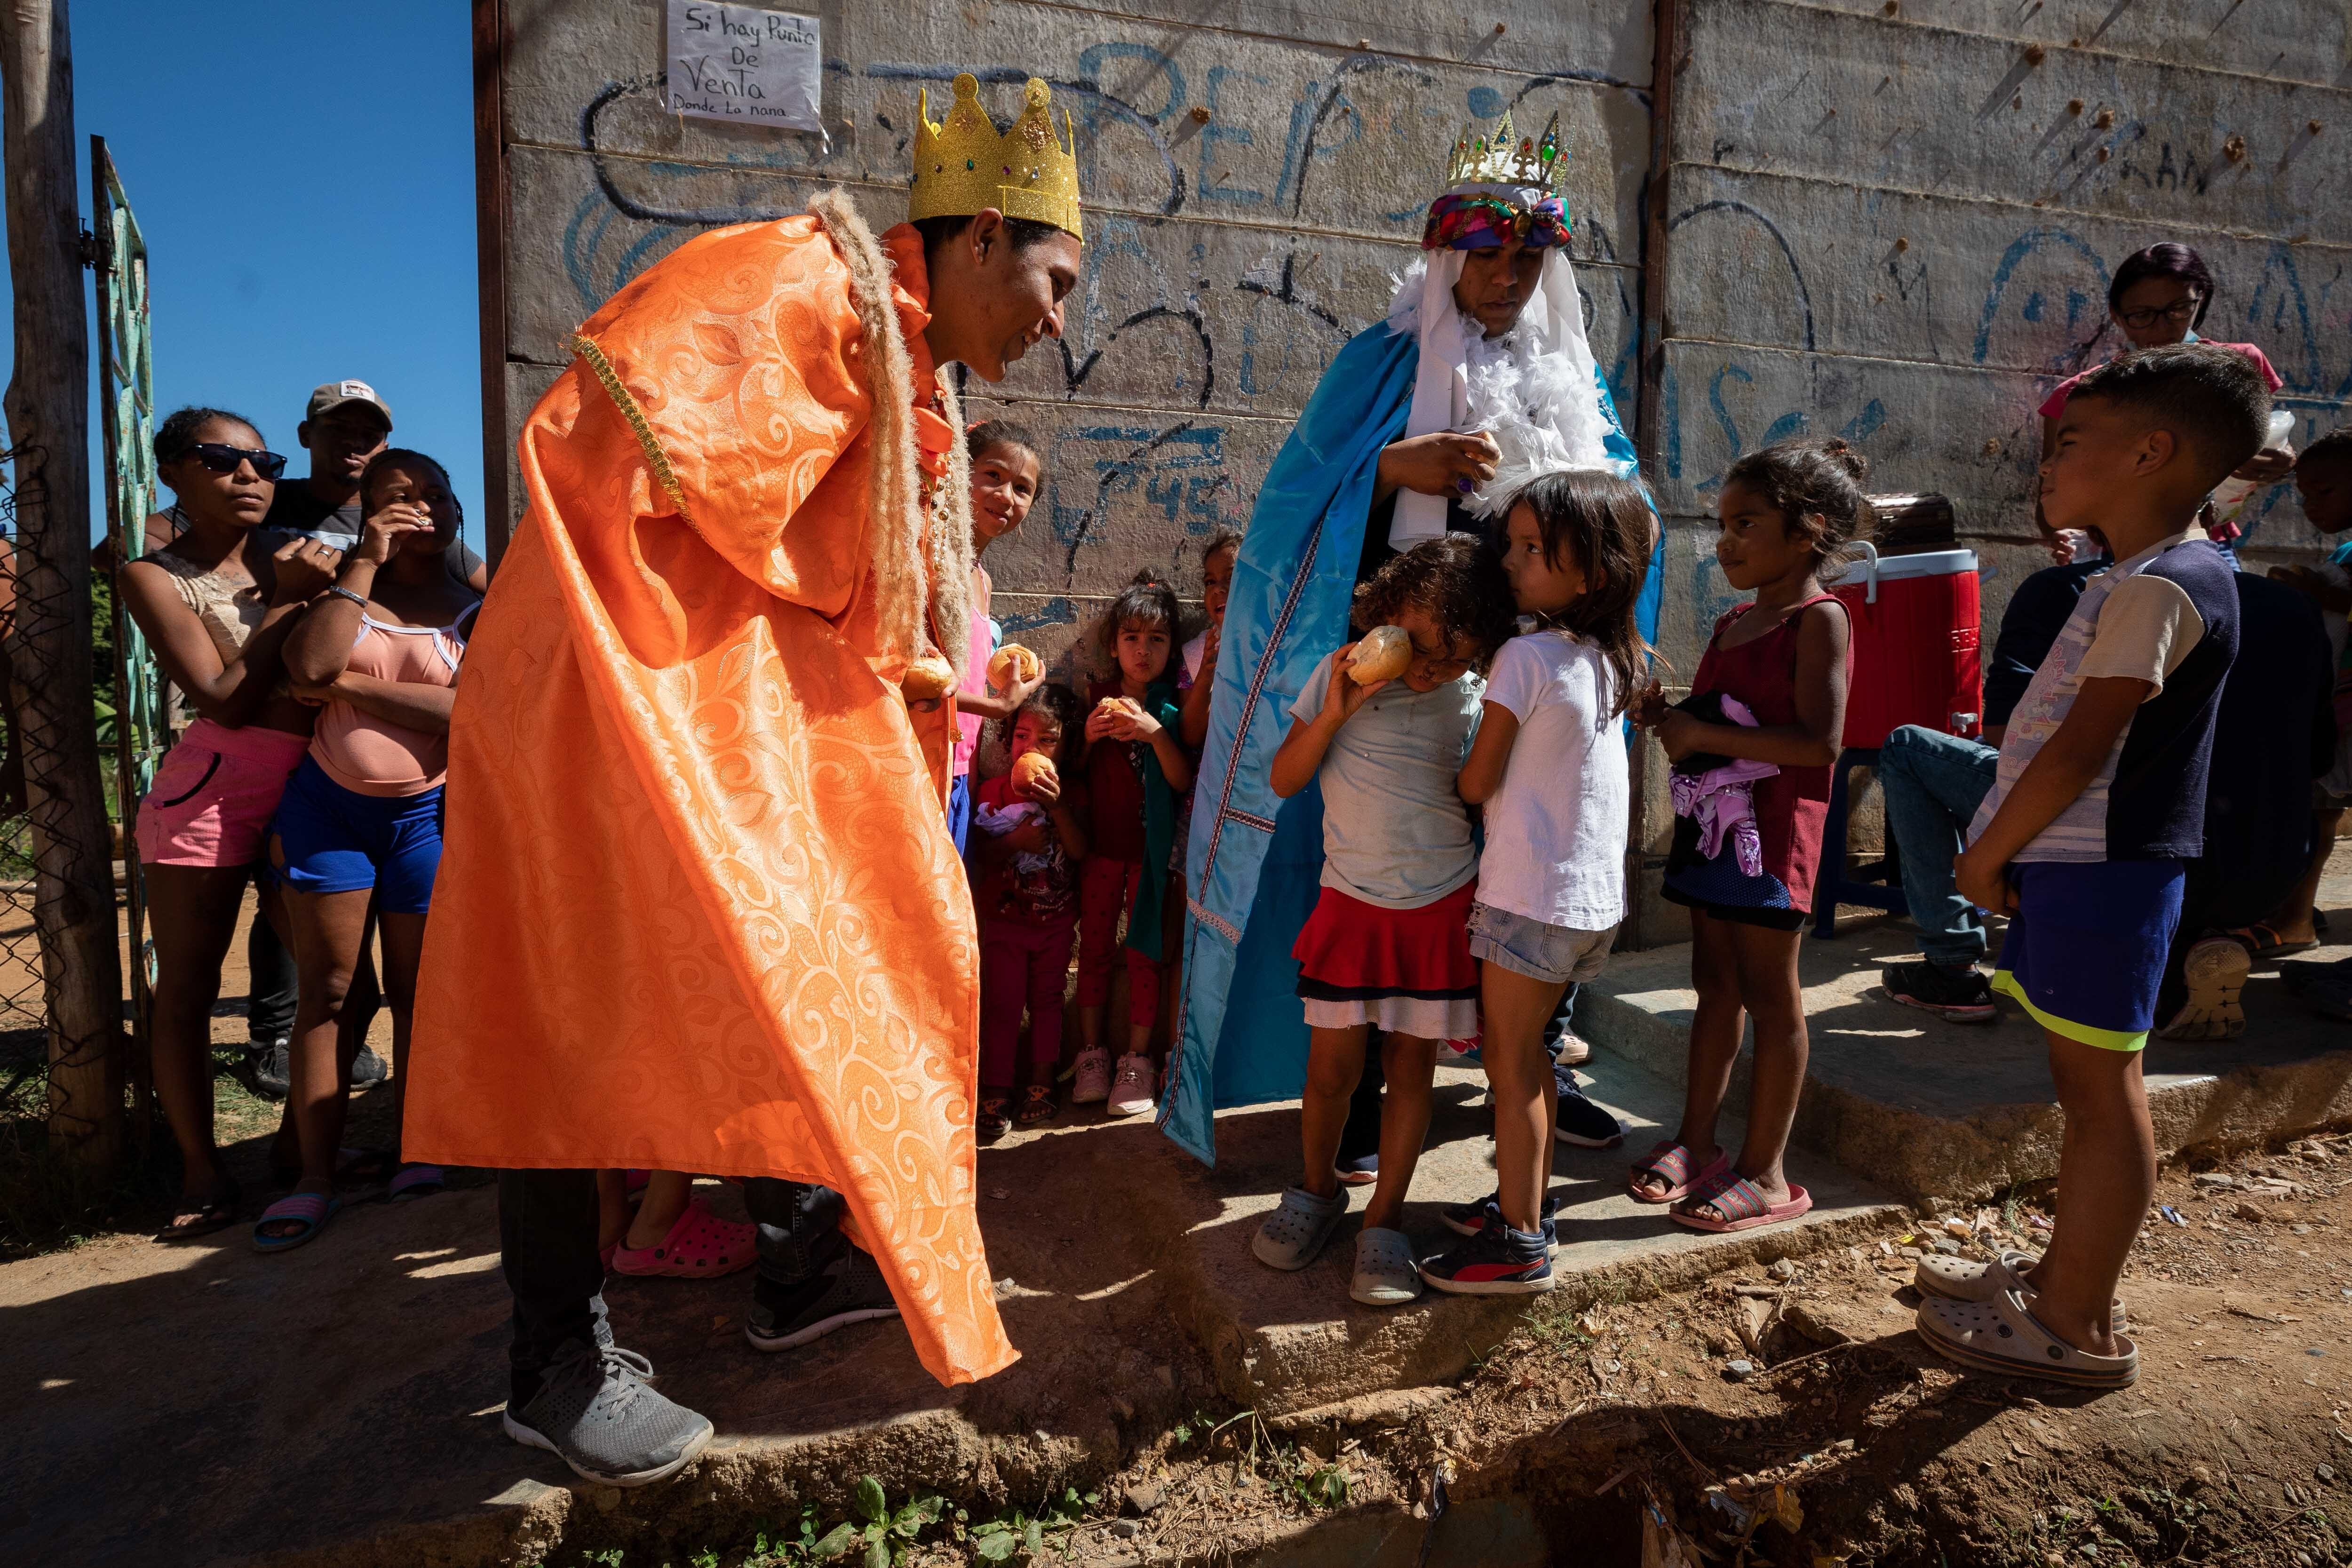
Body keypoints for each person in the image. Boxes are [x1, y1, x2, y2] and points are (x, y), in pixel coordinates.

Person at [406, 73, 1082, 1484]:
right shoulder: (794, 287)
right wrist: (754, 743)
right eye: (1054, 278)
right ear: (974, 243)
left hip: (713, 699)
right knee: (578, 1008)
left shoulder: (903, 357)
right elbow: (616, 480)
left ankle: (790, 1264)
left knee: (842, 959)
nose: (1058, 320)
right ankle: (552, 1360)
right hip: (609, 697)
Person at [1168, 108, 1661, 1167]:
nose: (1508, 277)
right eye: (1488, 253)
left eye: (1529, 257)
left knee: (1528, 867)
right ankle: (1357, 1094)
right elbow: (1286, 507)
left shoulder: (1578, 376)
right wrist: (1395, 469)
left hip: (1531, 680)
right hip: (1409, 682)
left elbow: (1626, 515)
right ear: (1449, 252)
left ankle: (1533, 1063)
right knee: (1393, 878)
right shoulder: (1382, 361)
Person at [1914, 344, 2265, 1391]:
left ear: (2152, 451)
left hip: (2105, 870)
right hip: (2086, 869)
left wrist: (1981, 853)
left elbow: (2077, 749)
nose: (2047, 462)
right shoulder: (2140, 577)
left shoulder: (2164, 586)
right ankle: (2067, 1279)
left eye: (2070, 442)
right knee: (2088, 1088)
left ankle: (2072, 1323)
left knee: (2104, 1095)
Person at [1248, 535, 1513, 1305]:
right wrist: (1335, 711)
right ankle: (1314, 1190)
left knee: (1410, 1070)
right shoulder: (1334, 674)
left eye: (1454, 658)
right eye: (1425, 648)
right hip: (1350, 901)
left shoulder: (1476, 695)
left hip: (1437, 905)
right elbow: (1285, 777)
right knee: (1331, 1071)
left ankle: (1385, 1218)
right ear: (1387, 616)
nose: (1431, 671)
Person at [1419, 473, 1651, 1294]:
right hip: (1588, 905)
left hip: (1528, 899)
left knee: (1511, 1068)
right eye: (1510, 544)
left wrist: (1447, 771)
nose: (1510, 563)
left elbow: (1479, 782)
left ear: (1590, 571)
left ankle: (1516, 1243)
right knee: (1536, 1061)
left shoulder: (1524, 656)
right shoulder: (1610, 657)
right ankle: (1525, 1204)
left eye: (1531, 551)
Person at [1629, 438, 1865, 1235]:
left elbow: (1820, 744)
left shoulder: (1819, 620)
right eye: (1723, 524)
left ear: (1809, 530)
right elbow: (1722, 728)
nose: (1725, 542)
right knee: (1715, 986)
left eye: (1746, 524)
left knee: (1772, 996)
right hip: (1714, 835)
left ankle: (1768, 1172)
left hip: (1772, 843)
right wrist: (1670, 721)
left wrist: (1699, 735)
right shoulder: (1735, 621)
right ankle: (1698, 1143)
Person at [251, 450, 483, 1252]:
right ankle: (314, 1175)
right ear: (366, 511)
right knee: (333, 992)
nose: (422, 506)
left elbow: (469, 712)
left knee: (420, 992)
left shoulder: (477, 606)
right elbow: (307, 660)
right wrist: (366, 558)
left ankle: (415, 1147)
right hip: (329, 812)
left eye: (437, 494)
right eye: (398, 497)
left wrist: (346, 690)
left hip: (425, 817)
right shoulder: (343, 594)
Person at [117, 409, 332, 1239]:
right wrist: (285, 604)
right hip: (209, 791)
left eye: (264, 462)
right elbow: (223, 698)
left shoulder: (295, 557)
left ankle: (295, 1151)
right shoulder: (154, 575)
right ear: (174, 472)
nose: (251, 477)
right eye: (224, 461)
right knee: (190, 988)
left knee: (339, 978)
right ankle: (203, 1167)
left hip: (308, 787)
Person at [1876, 548, 2108, 1022]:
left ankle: (1951, 962)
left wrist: (1983, 860)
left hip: (2078, 798)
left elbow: (2015, 736)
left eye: (2049, 469)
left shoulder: (2069, 589)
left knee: (1905, 748)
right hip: (2176, 819)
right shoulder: (2223, 586)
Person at [2037, 244, 2292, 561]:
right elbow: (2049, 499)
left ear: (2201, 298)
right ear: (2116, 316)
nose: (2161, 327)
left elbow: (2273, 444)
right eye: (2142, 315)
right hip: (2113, 552)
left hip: (2204, 542)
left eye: (2178, 309)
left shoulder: (2236, 369)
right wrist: (2062, 533)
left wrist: (2279, 458)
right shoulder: (2079, 395)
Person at [1070, 573, 1195, 1117]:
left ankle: (1137, 1059)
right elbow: (1070, 774)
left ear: (1171, 648)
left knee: (1146, 956)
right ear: (1113, 644)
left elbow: (1181, 780)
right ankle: (1092, 1055)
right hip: (1102, 855)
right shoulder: (1095, 702)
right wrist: (1088, 739)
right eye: (1131, 638)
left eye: (1157, 640)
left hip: (1151, 860)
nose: (1142, 652)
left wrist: (1154, 733)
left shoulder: (1171, 708)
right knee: (1094, 950)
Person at [969, 683, 1088, 1135]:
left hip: (1055, 924)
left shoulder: (1070, 796)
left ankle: (1041, 1082)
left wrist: (1056, 808)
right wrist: (1014, 840)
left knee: (1048, 1002)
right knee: (1001, 1004)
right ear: (1006, 740)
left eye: (1047, 739)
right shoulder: (993, 792)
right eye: (1022, 735)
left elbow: (1078, 851)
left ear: (1065, 748)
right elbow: (979, 857)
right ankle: (996, 1087)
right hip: (1004, 922)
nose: (1031, 747)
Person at [2253, 430, 2352, 957]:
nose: (2311, 507)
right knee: (2316, 810)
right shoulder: (2344, 550)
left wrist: (2325, 595)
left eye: (2324, 492)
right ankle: (2294, 920)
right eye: (2304, 496)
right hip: (2333, 714)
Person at [946, 421, 1047, 853]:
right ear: (958, 474)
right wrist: (999, 706)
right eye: (993, 476)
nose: (1007, 496)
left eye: (1022, 489)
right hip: (923, 765)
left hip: (959, 772)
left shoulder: (981, 581)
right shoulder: (936, 567)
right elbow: (908, 678)